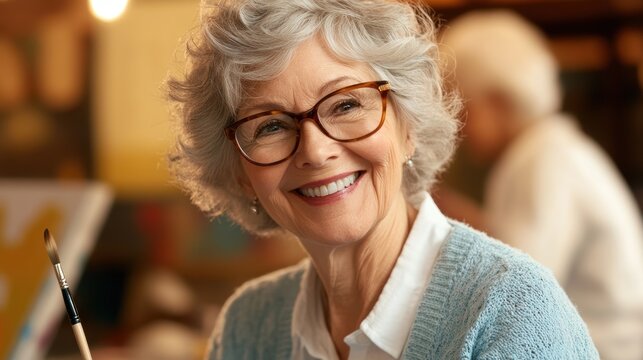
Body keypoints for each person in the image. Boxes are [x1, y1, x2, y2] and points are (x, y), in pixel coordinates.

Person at [166, 1, 598, 359]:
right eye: (270, 127)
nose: (315, 151)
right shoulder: (247, 327)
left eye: (346, 105)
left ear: (408, 126)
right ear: (241, 174)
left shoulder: (513, 313)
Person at [439, 10, 643, 360]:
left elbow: (517, 289)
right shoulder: (549, 151)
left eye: (463, 106)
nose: (458, 126)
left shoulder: (543, 160)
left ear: (499, 101)